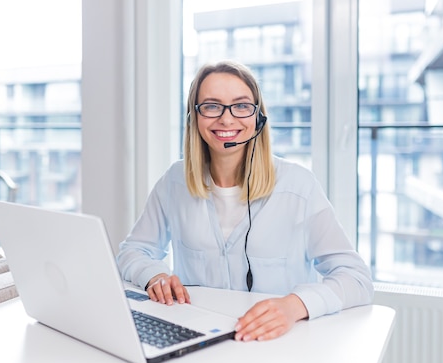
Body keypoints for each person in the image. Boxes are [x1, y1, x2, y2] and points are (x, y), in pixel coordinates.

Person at [117, 60, 373, 342]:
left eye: (241, 106)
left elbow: (356, 278)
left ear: (258, 118)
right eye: (212, 106)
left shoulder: (299, 187)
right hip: (197, 341)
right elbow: (133, 251)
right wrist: (155, 276)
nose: (226, 119)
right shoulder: (174, 182)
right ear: (194, 117)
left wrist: (294, 306)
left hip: (278, 345)